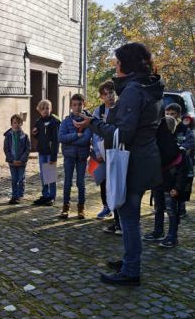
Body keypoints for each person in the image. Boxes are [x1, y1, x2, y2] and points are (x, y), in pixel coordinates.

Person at [74, 42, 164, 286]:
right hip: (145, 159)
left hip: (132, 162)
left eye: (117, 63)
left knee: (129, 218)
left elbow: (122, 134)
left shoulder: (134, 90)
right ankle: (128, 260)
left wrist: (93, 123)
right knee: (129, 216)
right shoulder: (149, 86)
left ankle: (131, 270)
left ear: (127, 65)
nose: (115, 67)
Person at [144, 116, 191, 247]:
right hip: (158, 184)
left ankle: (172, 236)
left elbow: (182, 172)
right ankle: (158, 231)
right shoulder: (157, 146)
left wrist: (177, 188)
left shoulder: (178, 150)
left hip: (171, 186)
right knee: (158, 208)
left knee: (171, 211)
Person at [58, 94, 92, 219]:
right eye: (74, 105)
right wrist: (76, 136)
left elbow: (86, 139)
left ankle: (81, 208)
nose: (77, 107)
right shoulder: (66, 121)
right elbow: (61, 137)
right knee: (67, 182)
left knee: (80, 183)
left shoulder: (88, 122)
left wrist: (71, 140)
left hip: (82, 157)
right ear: (71, 106)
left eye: (80, 104)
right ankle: (65, 207)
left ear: (84, 105)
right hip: (69, 156)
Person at [92, 80, 116, 219]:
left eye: (111, 93)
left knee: (116, 180)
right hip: (102, 150)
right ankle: (106, 207)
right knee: (104, 180)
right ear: (101, 97)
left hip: (116, 149)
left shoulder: (120, 108)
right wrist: (97, 151)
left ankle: (117, 209)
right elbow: (95, 132)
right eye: (106, 94)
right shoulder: (99, 111)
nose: (109, 96)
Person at [32, 99, 60, 206]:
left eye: (47, 108)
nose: (45, 110)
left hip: (50, 153)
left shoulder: (54, 121)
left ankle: (52, 196)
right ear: (39, 110)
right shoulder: (38, 122)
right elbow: (38, 136)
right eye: (43, 108)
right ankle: (45, 195)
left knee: (50, 175)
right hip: (42, 152)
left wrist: (54, 156)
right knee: (43, 175)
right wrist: (34, 134)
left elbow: (56, 140)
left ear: (51, 109)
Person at [3, 114, 31, 204]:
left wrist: (22, 160)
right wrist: (12, 160)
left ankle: (20, 195)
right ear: (11, 124)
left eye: (18, 123)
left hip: (21, 162)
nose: (16, 125)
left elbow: (27, 149)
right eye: (14, 123)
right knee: (14, 179)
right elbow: (6, 149)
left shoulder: (25, 136)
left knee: (21, 179)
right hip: (12, 162)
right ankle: (14, 196)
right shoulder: (8, 136)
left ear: (21, 123)